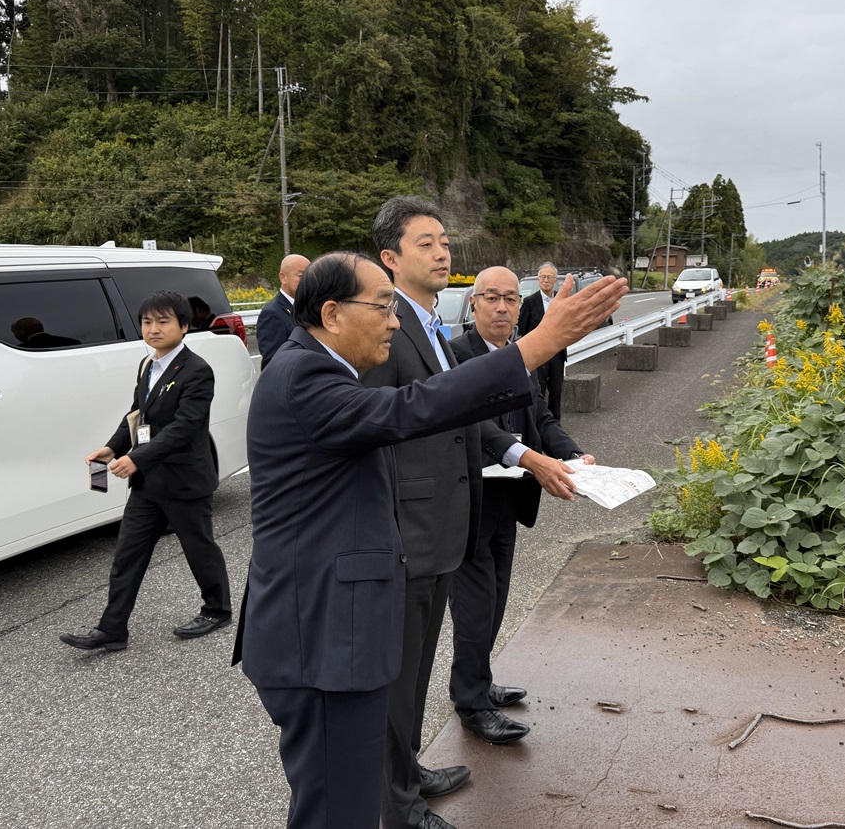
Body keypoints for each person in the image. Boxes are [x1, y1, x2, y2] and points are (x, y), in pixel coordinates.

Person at [232, 251, 626, 829]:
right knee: (337, 810)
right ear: (333, 313)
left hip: (334, 632)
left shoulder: (320, 369)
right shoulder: (302, 376)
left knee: (349, 800)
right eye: (384, 306)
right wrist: (535, 345)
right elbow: (414, 408)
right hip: (320, 641)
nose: (395, 321)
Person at [361, 196, 502, 829]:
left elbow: (458, 418)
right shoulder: (385, 328)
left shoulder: (433, 324)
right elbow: (382, 430)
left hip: (445, 522)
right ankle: (396, 804)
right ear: (389, 258)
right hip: (409, 529)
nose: (443, 252)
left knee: (416, 668)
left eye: (445, 241)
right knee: (396, 674)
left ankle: (407, 769)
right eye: (426, 243)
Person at [448, 267, 593, 745]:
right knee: (475, 604)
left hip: (510, 494)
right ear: (473, 304)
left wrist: (572, 454)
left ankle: (480, 681)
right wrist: (534, 459)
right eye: (491, 298)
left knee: (497, 597)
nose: (503, 308)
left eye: (511, 298)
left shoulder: (520, 357)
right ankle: (471, 702)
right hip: (468, 499)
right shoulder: (453, 355)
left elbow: (540, 416)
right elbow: (469, 426)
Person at [60, 290, 232, 652]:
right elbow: (137, 415)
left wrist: (138, 458)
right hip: (149, 482)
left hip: (184, 479)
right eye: (147, 322)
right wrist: (112, 448)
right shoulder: (147, 366)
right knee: (127, 554)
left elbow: (185, 427)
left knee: (198, 548)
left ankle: (217, 609)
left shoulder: (198, 371)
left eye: (163, 321)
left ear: (183, 327)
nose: (153, 329)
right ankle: (112, 629)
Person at [517, 261, 567, 420]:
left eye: (549, 277)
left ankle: (556, 425)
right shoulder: (530, 301)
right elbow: (523, 329)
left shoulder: (562, 299)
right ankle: (538, 425)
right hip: (538, 354)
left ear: (555, 280)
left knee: (556, 391)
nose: (546, 280)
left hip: (557, 353)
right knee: (538, 391)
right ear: (538, 280)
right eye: (543, 277)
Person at [257, 253, 310, 369]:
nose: (307, 280)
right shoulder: (272, 313)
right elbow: (272, 363)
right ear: (283, 277)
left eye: (309, 275)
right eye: (301, 276)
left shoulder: (309, 307)